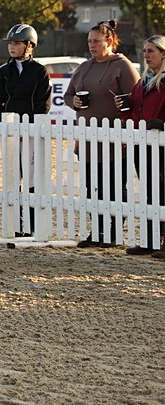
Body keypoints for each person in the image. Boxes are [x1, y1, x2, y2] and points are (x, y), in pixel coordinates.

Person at [64, 20, 140, 248]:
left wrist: (123, 105)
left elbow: (136, 98)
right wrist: (74, 101)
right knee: (91, 188)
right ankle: (96, 231)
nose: (92, 45)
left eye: (96, 41)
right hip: (88, 140)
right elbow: (68, 95)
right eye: (89, 41)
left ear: (109, 41)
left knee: (115, 188)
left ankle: (113, 232)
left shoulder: (122, 66)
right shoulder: (85, 66)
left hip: (116, 142)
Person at [0, 24, 51, 236]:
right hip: (10, 133)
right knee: (13, 179)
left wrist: (31, 127)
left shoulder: (39, 71)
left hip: (32, 132)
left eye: (17, 43)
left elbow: (43, 103)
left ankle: (33, 227)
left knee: (32, 180)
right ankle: (16, 225)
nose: (12, 47)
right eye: (11, 44)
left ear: (29, 46)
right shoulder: (4, 72)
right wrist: (2, 127)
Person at [128, 35, 165, 258]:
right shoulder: (143, 81)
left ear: (163, 54)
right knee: (150, 192)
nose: (146, 55)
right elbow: (135, 108)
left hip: (161, 143)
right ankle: (150, 239)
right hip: (143, 143)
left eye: (151, 51)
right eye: (145, 51)